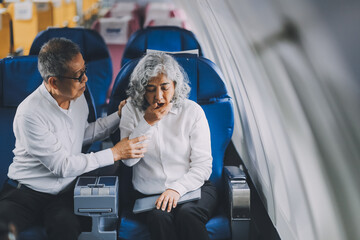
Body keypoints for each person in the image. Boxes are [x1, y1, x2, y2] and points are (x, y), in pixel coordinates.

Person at [0, 38, 147, 240]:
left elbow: (83, 134)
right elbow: (63, 166)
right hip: (25, 193)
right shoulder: (30, 113)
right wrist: (115, 153)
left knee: (66, 226)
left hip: (63, 193)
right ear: (54, 82)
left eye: (84, 70)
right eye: (78, 76)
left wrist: (119, 116)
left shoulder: (78, 97)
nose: (86, 79)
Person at [120, 52, 218, 240]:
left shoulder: (192, 111)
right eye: (150, 89)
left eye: (165, 87)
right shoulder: (130, 111)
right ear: (142, 90)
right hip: (150, 194)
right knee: (159, 218)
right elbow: (129, 162)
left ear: (175, 85)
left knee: (188, 216)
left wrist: (176, 189)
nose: (159, 96)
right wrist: (146, 123)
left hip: (194, 187)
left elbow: (203, 166)